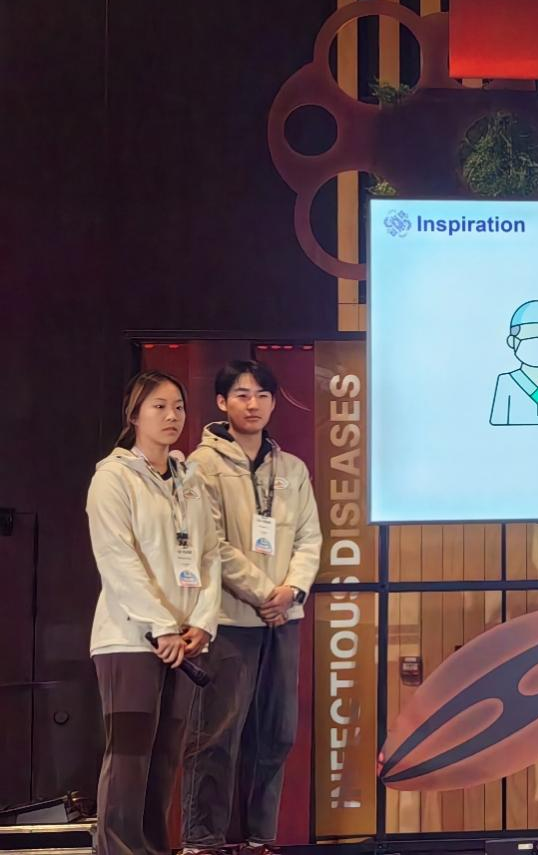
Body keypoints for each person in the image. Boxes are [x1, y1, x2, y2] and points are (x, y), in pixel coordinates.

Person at [181, 360, 323, 855]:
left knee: (276, 733)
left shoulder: (292, 469)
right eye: (242, 395)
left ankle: (259, 838)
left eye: (263, 395)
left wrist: (292, 591)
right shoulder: (201, 465)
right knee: (216, 734)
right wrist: (266, 594)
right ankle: (202, 840)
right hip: (228, 620)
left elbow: (310, 538)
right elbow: (211, 544)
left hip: (283, 620)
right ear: (222, 402)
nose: (253, 404)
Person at [88, 371, 221, 855]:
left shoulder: (191, 480)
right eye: (159, 406)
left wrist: (202, 621)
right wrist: (161, 626)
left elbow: (209, 554)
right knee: (130, 758)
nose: (172, 416)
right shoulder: (113, 477)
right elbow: (117, 559)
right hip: (130, 641)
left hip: (184, 641)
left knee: (165, 759)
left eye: (178, 406)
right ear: (134, 414)